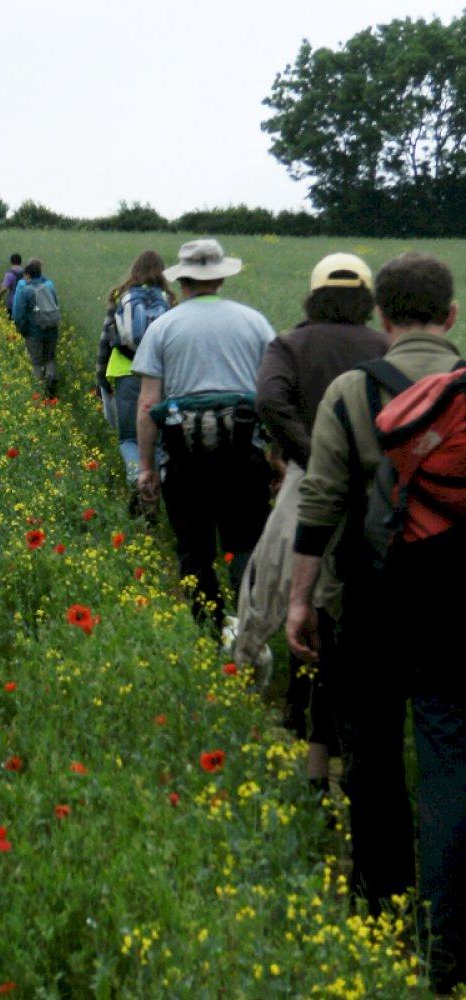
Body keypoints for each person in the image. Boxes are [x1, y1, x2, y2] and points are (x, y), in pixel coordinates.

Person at [287, 252, 464, 994]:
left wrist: (299, 600)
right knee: (450, 755)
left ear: (383, 318)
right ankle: (448, 934)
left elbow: (320, 503)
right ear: (451, 316)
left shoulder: (351, 392)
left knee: (375, 752)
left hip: (370, 594)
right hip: (456, 599)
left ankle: (382, 904)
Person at [239, 253, 386, 794]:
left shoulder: (289, 345)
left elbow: (269, 401)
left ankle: (301, 719)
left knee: (286, 594)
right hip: (380, 495)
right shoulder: (383, 348)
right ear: (368, 299)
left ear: (313, 295)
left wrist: (309, 455)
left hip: (307, 490)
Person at [134, 238, 275, 627]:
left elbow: (148, 406)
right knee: (246, 545)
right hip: (245, 457)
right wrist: (277, 459)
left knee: (194, 552)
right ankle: (251, 633)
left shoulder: (163, 328)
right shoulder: (256, 323)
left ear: (182, 282)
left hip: (183, 460)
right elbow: (273, 397)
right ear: (221, 279)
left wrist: (146, 467)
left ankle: (210, 634)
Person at [96, 251, 175, 515]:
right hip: (158, 375)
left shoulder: (120, 297)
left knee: (130, 438)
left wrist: (100, 377)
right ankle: (155, 488)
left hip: (126, 371)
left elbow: (106, 339)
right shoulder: (169, 300)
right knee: (159, 440)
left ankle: (138, 484)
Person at [12, 258, 61, 396]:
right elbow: (55, 307)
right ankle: (51, 382)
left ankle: (40, 392)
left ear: (27, 275)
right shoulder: (49, 288)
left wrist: (23, 330)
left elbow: (19, 314)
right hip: (52, 330)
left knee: (36, 362)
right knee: (50, 358)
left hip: (34, 333)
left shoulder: (25, 291)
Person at [0, 253, 24, 317]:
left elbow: (4, 288)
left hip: (12, 303)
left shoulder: (9, 274)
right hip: (24, 303)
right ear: (20, 262)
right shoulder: (26, 274)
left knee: (11, 323)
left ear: (11, 262)